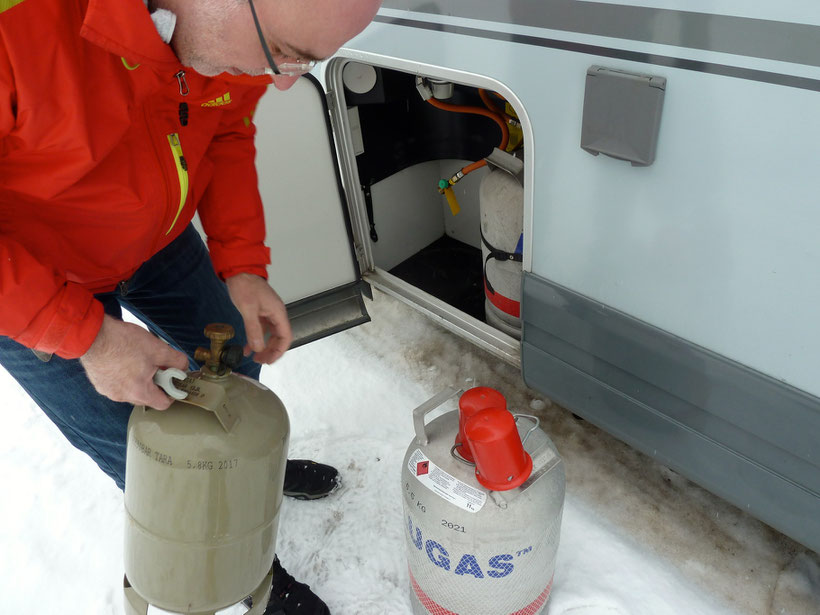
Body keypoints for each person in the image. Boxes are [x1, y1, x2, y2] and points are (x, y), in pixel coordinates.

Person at [0, 0, 382, 613]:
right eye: (287, 50)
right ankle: (239, 555)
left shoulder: (221, 38)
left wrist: (244, 264)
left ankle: (247, 468)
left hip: (155, 242)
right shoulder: (18, 28)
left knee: (231, 356)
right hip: (37, 279)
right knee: (145, 444)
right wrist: (89, 337)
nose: (285, 80)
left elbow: (226, 130)